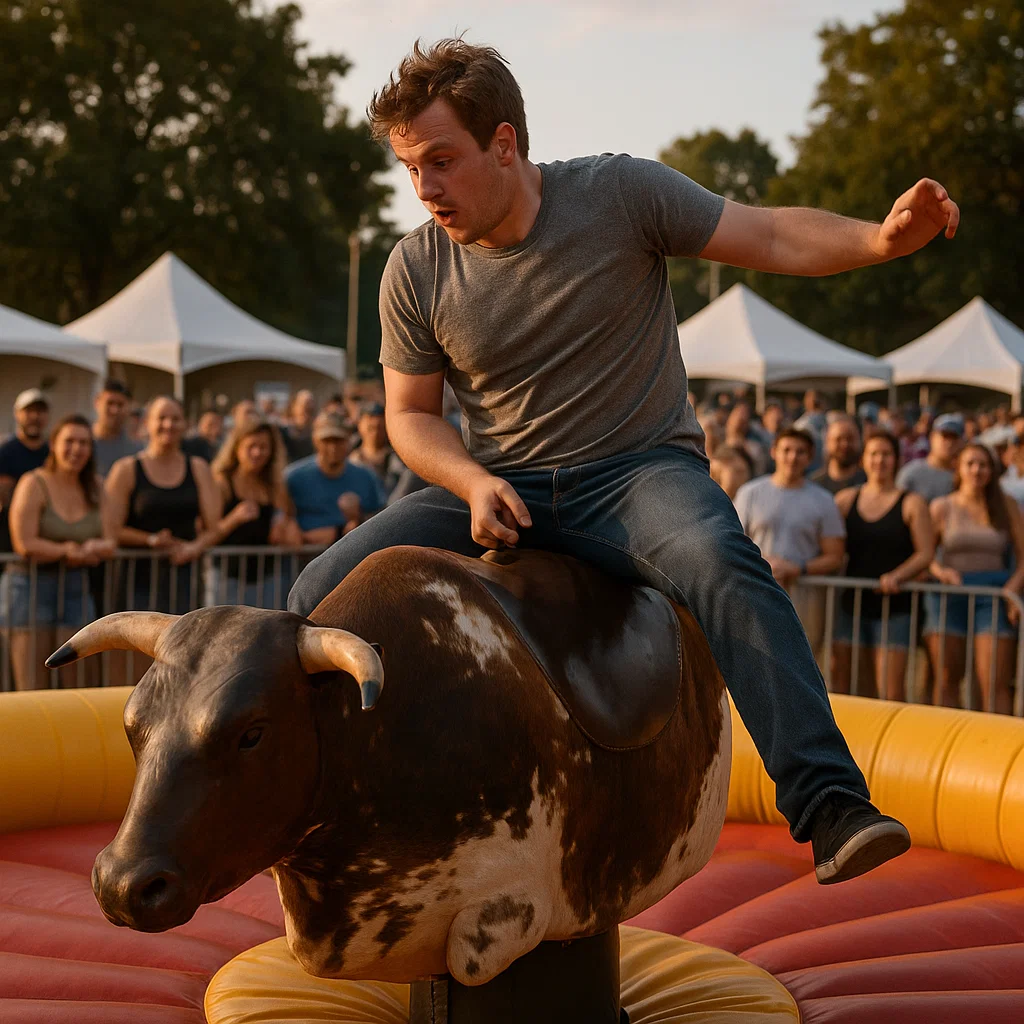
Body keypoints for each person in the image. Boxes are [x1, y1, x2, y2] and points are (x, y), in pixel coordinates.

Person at [288, 38, 961, 883]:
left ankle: (830, 804)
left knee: (721, 559)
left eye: (441, 161)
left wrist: (881, 239)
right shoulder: (414, 267)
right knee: (312, 600)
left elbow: (770, 234)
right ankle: (321, 832)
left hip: (635, 473)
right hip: (501, 485)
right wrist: (471, 480)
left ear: (505, 143)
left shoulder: (619, 192)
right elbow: (410, 416)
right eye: (410, 168)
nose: (424, 189)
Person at [1, 415, 115, 689]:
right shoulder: (33, 482)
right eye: (69, 441)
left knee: (77, 685)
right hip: (29, 587)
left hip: (76, 587)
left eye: (84, 443)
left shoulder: (96, 486)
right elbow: (24, 543)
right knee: (32, 686)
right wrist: (67, 551)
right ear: (53, 445)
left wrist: (92, 547)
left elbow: (110, 540)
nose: (76, 449)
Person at [832, 432, 934, 701]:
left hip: (895, 605)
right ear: (864, 460)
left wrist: (897, 576)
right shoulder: (844, 500)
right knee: (850, 684)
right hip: (851, 602)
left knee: (890, 690)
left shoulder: (912, 503)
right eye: (874, 454)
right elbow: (829, 546)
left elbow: (925, 553)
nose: (880, 460)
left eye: (886, 454)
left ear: (897, 460)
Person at [926, 442, 1024, 715]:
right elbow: (926, 555)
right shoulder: (942, 506)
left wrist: (1012, 590)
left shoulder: (1007, 506)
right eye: (970, 463)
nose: (977, 470)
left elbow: (1023, 555)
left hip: (994, 593)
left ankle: (998, 749)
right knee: (946, 678)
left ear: (992, 471)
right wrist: (940, 571)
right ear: (959, 467)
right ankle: (943, 747)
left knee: (994, 682)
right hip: (949, 593)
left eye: (983, 464)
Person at [105, 396, 222, 616]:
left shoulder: (198, 468)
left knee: (180, 646)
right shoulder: (126, 469)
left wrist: (194, 547)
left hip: (184, 577)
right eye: (161, 418)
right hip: (135, 578)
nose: (168, 424)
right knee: (136, 647)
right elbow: (111, 529)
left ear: (185, 425)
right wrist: (151, 540)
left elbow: (214, 527)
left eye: (175, 419)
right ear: (146, 423)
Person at [734, 428, 846, 653]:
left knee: (801, 662)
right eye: (786, 450)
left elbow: (835, 555)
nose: (793, 457)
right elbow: (734, 543)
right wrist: (763, 566)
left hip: (804, 603)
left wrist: (799, 568)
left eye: (800, 452)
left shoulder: (823, 501)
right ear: (774, 452)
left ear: (810, 457)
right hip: (756, 595)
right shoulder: (750, 493)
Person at [207, 418, 301, 607]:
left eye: (263, 447)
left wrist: (282, 525)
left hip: (267, 577)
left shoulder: (274, 485)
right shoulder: (223, 482)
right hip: (228, 577)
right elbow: (208, 531)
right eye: (251, 446)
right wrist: (235, 518)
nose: (257, 453)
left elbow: (287, 521)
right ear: (237, 447)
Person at [285, 411, 386, 545]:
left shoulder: (366, 476)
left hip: (352, 557)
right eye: (326, 441)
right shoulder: (293, 477)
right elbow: (281, 518)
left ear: (349, 440)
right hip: (303, 560)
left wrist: (359, 518)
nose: (333, 447)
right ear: (315, 440)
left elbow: (383, 516)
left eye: (338, 440)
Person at [0, 389, 50, 553]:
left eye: (40, 411)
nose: (35, 416)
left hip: (46, 536)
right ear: (17, 414)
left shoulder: (53, 454)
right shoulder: (5, 451)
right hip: (9, 536)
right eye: (29, 411)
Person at [896, 413, 963, 503]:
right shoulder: (911, 473)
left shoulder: (964, 476)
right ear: (932, 437)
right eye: (945, 436)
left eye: (954, 437)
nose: (949, 443)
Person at [348, 402, 406, 497]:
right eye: (371, 428)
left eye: (379, 427)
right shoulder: (350, 458)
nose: (375, 433)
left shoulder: (397, 459)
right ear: (360, 425)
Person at [91, 379, 142, 476]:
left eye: (120, 405)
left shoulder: (136, 451)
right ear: (97, 403)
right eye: (109, 403)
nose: (115, 410)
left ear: (129, 407)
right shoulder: (80, 443)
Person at [811, 415, 867, 496]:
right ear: (827, 442)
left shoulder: (869, 483)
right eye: (838, 439)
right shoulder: (813, 486)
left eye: (850, 438)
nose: (845, 444)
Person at [281, 390, 317, 464]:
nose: (308, 407)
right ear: (293, 407)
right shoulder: (282, 433)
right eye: (303, 406)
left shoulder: (317, 436)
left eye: (310, 410)